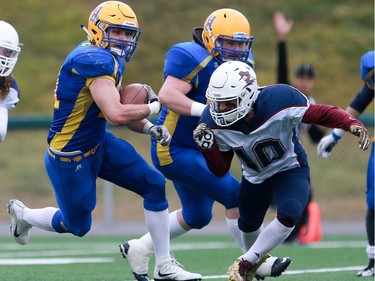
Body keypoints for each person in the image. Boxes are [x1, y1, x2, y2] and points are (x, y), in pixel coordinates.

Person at [7, 2, 202, 281]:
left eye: (127, 33)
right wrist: (155, 108)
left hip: (99, 142)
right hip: (70, 156)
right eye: (117, 32)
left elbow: (111, 109)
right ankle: (24, 215)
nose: (123, 39)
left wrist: (149, 128)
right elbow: (117, 112)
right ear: (98, 30)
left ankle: (164, 265)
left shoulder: (109, 58)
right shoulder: (93, 60)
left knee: (154, 185)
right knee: (76, 225)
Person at [119, 8, 291, 281]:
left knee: (197, 215)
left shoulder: (244, 63)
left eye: (240, 43)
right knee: (235, 195)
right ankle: (257, 261)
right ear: (210, 39)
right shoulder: (189, 55)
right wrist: (207, 112)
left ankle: (140, 248)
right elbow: (167, 95)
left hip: (202, 147)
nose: (236, 49)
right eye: (229, 42)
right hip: (174, 147)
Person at [193, 60, 371, 281]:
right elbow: (220, 169)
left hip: (290, 168)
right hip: (255, 177)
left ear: (248, 96)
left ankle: (246, 262)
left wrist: (350, 123)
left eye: (228, 103)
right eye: (218, 103)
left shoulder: (279, 101)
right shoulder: (211, 122)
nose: (221, 110)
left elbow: (320, 113)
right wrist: (207, 149)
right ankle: (254, 265)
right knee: (247, 225)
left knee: (289, 213)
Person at [317, 50, 374, 277]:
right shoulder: (371, 83)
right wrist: (335, 136)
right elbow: (355, 107)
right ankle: (373, 259)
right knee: (373, 200)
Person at [273, 11, 325, 243]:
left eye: (308, 77)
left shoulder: (311, 105)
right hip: (272, 152)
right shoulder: (289, 95)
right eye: (301, 76)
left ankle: (290, 238)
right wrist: (282, 40)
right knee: (265, 193)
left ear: (312, 81)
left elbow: (315, 136)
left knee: (304, 194)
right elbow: (281, 73)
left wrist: (331, 133)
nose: (304, 80)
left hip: (291, 157)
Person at [0, 20, 22, 142]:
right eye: (0, 49)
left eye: (7, 51)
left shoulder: (8, 87)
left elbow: (0, 132)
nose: (3, 56)